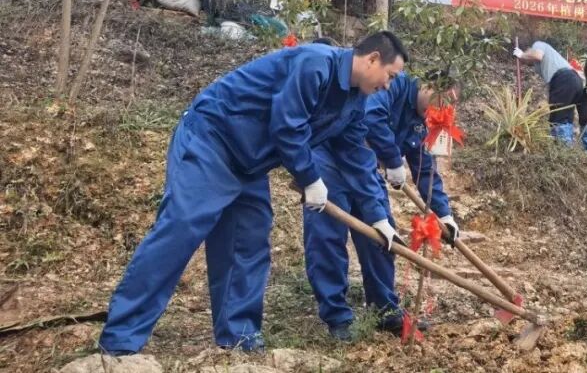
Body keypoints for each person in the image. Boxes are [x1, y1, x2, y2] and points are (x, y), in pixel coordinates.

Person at [97, 33, 409, 355]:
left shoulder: (355, 102)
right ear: (372, 59)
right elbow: (287, 124)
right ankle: (120, 340)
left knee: (248, 242)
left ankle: (239, 337)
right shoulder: (315, 64)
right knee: (180, 231)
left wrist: (377, 217)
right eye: (390, 76)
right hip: (212, 141)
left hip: (250, 163)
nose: (388, 86)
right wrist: (310, 178)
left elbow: (356, 156)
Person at [303, 70, 460, 340]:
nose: (442, 109)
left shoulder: (423, 122)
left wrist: (444, 214)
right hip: (330, 158)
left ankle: (384, 311)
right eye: (441, 100)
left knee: (382, 237)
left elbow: (425, 170)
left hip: (366, 171)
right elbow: (372, 117)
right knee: (327, 239)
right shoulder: (392, 86)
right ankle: (337, 317)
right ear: (427, 85)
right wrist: (393, 159)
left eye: (449, 105)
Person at [513, 40, 587, 157]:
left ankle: (564, 153)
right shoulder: (544, 62)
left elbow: (536, 55)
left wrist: (522, 54)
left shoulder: (538, 45)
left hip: (566, 81)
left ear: (530, 49)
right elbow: (531, 60)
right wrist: (522, 58)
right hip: (576, 84)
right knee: (569, 118)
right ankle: (586, 152)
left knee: (560, 118)